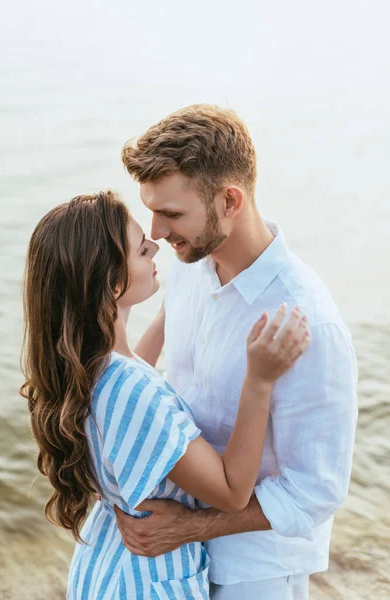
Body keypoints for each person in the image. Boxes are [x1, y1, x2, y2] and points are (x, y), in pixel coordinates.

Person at [116, 104, 359, 600]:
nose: (157, 233)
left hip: (258, 570)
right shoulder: (189, 265)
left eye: (172, 213)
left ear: (230, 200)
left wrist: (192, 526)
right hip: (178, 560)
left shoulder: (309, 322)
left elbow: (315, 490)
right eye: (152, 211)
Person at [20, 190, 309, 599]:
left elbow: (134, 371)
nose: (155, 246)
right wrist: (259, 381)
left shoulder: (90, 366)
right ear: (114, 283)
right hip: (145, 582)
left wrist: (170, 309)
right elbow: (231, 491)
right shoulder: (132, 391)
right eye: (141, 251)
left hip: (106, 565)